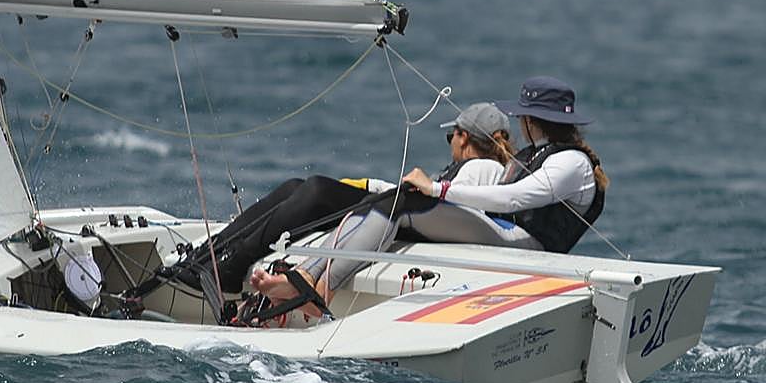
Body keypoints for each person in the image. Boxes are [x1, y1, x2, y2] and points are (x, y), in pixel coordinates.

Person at [250, 76, 607, 313]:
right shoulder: (541, 153)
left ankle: (320, 290)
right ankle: (306, 279)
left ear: (531, 120)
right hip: (503, 233)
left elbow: (514, 200)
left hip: (526, 245)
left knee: (406, 201)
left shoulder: (572, 162)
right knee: (391, 203)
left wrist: (437, 189)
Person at [171, 102, 513, 293]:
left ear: (464, 138)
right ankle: (213, 254)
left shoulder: (484, 169)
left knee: (317, 190)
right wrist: (370, 186)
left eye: (451, 136)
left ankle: (230, 263)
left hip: (412, 224)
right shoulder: (474, 167)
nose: (450, 143)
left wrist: (373, 189)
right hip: (404, 212)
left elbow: (455, 212)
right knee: (295, 187)